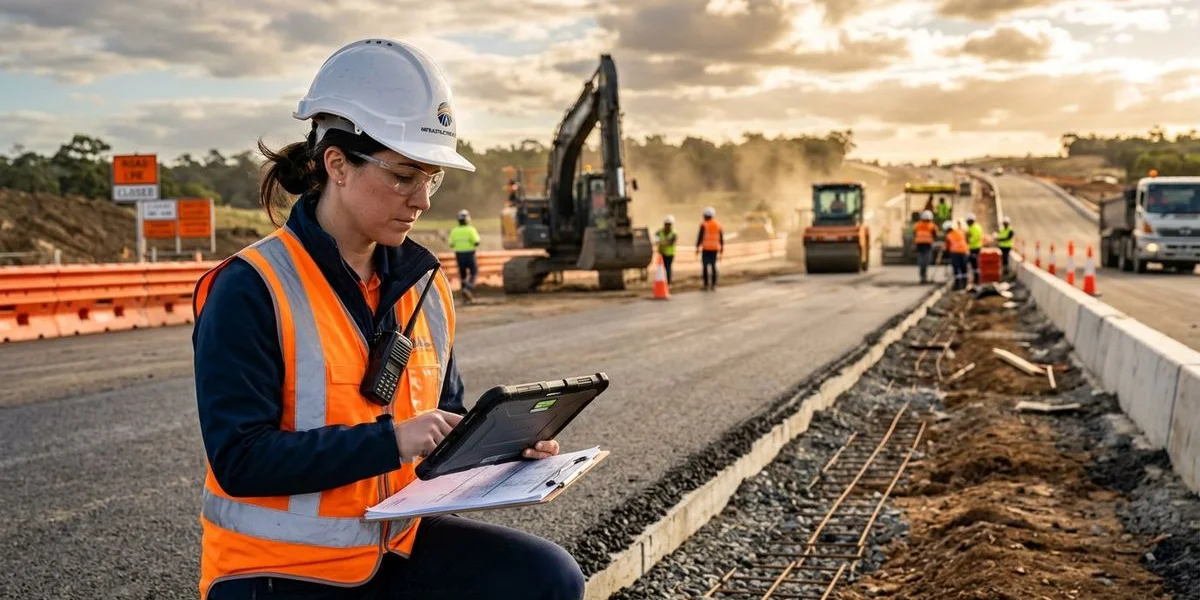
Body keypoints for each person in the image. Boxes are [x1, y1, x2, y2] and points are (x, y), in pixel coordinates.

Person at [191, 38, 584, 600]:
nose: (422, 200)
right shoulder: (250, 287)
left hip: (392, 543)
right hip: (278, 571)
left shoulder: (425, 285)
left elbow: (442, 418)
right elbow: (241, 459)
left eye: (432, 177)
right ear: (337, 164)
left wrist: (500, 449)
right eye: (404, 176)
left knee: (547, 577)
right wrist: (391, 441)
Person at [448, 209, 481, 303]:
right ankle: (468, 288)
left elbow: (451, 244)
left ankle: (464, 294)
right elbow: (476, 242)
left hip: (459, 255)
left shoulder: (454, 231)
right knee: (474, 272)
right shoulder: (471, 229)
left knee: (463, 274)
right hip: (470, 254)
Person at [696, 206, 723, 290]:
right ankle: (714, 284)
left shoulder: (704, 225)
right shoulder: (718, 225)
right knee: (714, 266)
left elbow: (700, 237)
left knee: (705, 266)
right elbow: (721, 237)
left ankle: (706, 285)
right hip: (715, 249)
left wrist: (697, 247)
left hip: (706, 249)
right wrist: (722, 248)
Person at [913, 210, 938, 284]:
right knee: (926, 260)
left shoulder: (917, 225)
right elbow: (935, 235)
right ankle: (924, 276)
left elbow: (914, 233)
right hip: (927, 244)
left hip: (919, 244)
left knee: (921, 259)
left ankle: (922, 276)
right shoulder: (932, 226)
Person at [944, 220, 970, 290]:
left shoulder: (948, 235)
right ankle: (965, 284)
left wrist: (946, 252)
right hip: (964, 251)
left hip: (955, 252)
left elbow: (947, 247)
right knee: (964, 268)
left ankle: (957, 285)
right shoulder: (960, 232)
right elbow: (966, 240)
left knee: (956, 268)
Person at [655, 215, 678, 285]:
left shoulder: (674, 233)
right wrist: (663, 242)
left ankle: (668, 282)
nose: (668, 226)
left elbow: (671, 243)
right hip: (661, 253)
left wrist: (661, 242)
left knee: (668, 267)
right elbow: (656, 241)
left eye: (669, 224)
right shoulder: (659, 232)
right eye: (667, 224)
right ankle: (662, 281)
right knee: (661, 268)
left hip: (670, 254)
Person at [965, 212, 984, 285]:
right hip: (971, 248)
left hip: (975, 248)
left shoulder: (975, 228)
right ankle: (974, 279)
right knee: (973, 264)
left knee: (975, 264)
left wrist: (968, 240)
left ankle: (977, 280)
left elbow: (976, 238)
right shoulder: (970, 228)